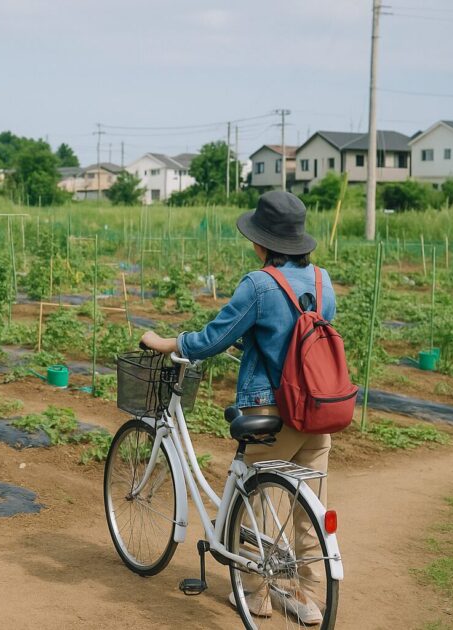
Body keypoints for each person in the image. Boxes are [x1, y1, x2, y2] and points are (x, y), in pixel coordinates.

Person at [140, 190, 334, 625]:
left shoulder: (259, 284)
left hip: (271, 412)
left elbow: (212, 338)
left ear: (262, 242)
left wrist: (168, 342)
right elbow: (299, 337)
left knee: (255, 497)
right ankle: (309, 601)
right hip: (317, 411)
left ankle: (256, 594)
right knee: (308, 506)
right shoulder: (323, 282)